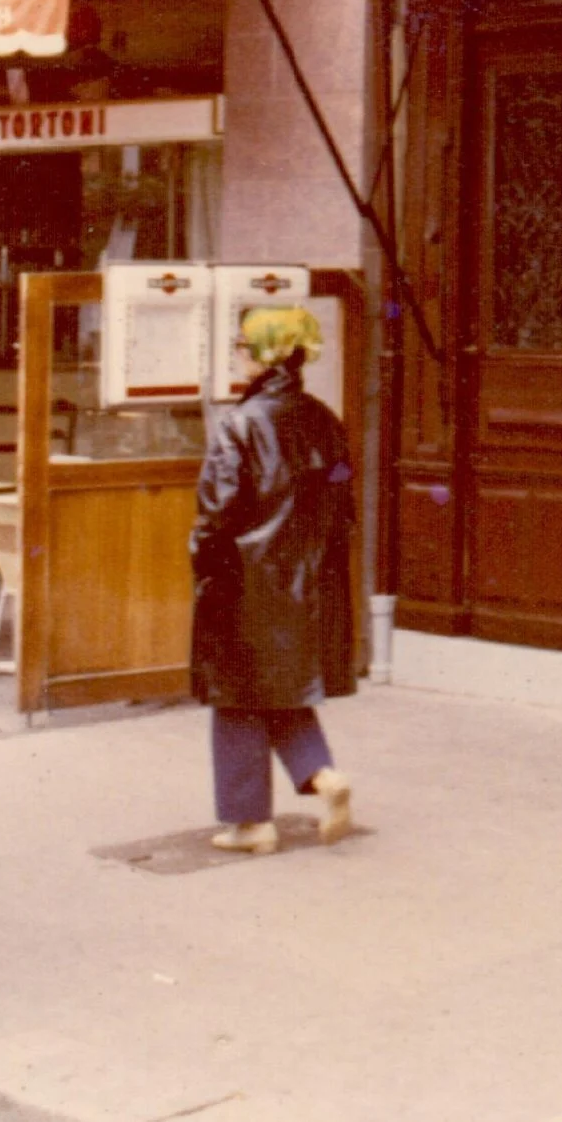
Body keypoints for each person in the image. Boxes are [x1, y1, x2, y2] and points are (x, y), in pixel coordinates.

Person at [188, 307, 358, 855]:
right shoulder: (325, 420)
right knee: (281, 686)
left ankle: (250, 823)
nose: (236, 352)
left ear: (260, 354)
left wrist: (203, 564)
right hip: (306, 581)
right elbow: (343, 497)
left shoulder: (238, 425)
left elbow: (217, 513)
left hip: (243, 579)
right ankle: (320, 774)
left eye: (241, 344)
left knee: (236, 694)